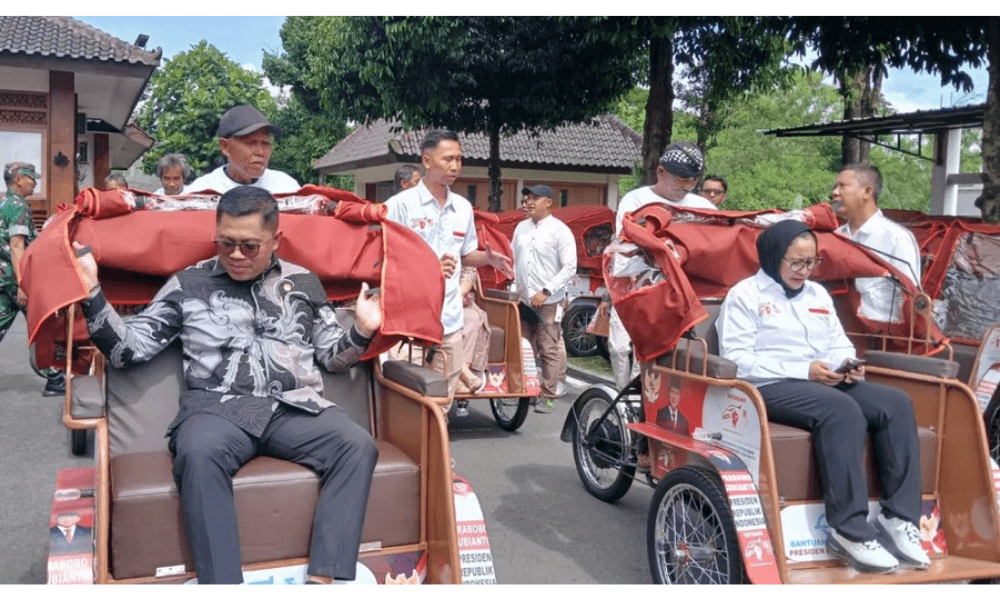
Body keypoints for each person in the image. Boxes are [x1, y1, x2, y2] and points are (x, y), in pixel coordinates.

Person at [71, 185, 381, 584]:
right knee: (198, 453)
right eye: (226, 243)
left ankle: (323, 580)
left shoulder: (304, 283)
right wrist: (92, 292)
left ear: (276, 241)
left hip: (294, 408)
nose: (235, 255)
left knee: (357, 446)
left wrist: (361, 330)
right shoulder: (188, 284)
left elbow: (331, 357)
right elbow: (128, 351)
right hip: (217, 411)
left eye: (250, 246)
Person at [716, 219, 929, 574]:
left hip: (822, 379)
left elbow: (837, 343)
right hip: (767, 385)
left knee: (895, 403)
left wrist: (847, 364)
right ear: (772, 257)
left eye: (812, 262)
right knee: (842, 410)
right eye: (796, 262)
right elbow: (738, 359)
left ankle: (899, 519)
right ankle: (850, 531)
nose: (805, 271)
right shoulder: (745, 295)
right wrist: (805, 370)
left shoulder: (818, 295)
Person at [384, 129, 513, 416]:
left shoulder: (463, 208)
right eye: (448, 159)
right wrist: (427, 268)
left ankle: (436, 458)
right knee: (407, 398)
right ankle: (415, 458)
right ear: (427, 161)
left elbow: (466, 254)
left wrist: (487, 258)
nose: (455, 166)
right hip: (409, 320)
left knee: (443, 400)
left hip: (449, 321)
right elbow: (385, 257)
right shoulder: (400, 206)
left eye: (459, 159)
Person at [609, 142, 716, 391]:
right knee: (618, 347)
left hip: (680, 292)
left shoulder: (705, 208)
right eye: (680, 179)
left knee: (654, 353)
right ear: (660, 172)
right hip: (635, 287)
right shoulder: (636, 200)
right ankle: (621, 392)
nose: (687, 186)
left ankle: (644, 394)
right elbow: (626, 244)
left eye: (692, 180)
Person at [511, 184, 577, 413]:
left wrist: (546, 291)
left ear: (548, 202)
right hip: (523, 298)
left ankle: (548, 395)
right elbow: (514, 260)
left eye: (535, 198)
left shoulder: (560, 231)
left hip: (549, 301)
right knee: (523, 347)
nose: (529, 202)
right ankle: (527, 390)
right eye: (527, 198)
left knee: (548, 347)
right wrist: (514, 288)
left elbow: (570, 267)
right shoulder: (521, 228)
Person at [1, 162, 65, 397]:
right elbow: (17, 246)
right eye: (31, 178)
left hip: (3, 277)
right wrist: (22, 284)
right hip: (15, 278)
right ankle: (54, 376)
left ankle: (54, 375)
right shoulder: (19, 207)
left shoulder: (4, 204)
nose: (34, 183)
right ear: (18, 179)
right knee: (41, 326)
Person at [832, 163, 921, 323]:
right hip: (841, 331)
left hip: (881, 337)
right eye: (835, 187)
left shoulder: (896, 238)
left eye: (842, 186)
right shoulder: (836, 236)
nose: (835, 193)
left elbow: (909, 296)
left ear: (867, 192)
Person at [187, 105, 300, 195]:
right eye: (250, 143)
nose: (260, 152)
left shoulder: (286, 188)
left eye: (265, 143)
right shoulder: (203, 193)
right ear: (225, 147)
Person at [458, 266, 490, 394]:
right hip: (431, 301)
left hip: (459, 300)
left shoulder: (461, 249)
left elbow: (469, 271)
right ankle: (463, 375)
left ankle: (461, 375)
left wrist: (460, 294)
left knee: (473, 318)